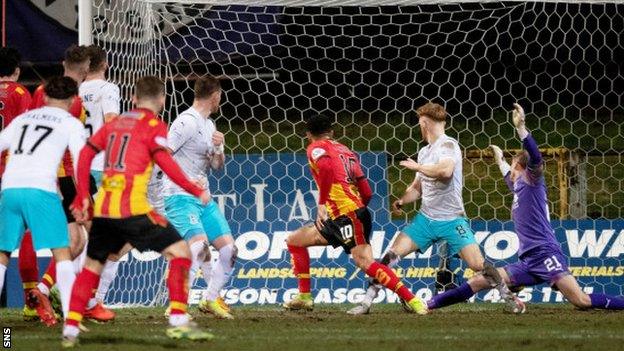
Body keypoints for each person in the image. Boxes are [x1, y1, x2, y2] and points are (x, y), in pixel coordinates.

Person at [425, 104, 624, 313]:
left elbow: (536, 158)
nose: (510, 170)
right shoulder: (521, 188)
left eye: (513, 165)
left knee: (581, 301)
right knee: (478, 281)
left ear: (522, 168)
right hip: (528, 261)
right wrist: (500, 160)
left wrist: (521, 129)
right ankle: (429, 304)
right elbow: (509, 179)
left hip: (546, 255)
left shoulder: (533, 183)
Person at [62, 76, 213, 347]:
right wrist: (194, 189)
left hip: (105, 210)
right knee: (180, 252)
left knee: (92, 266)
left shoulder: (116, 123)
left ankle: (70, 329)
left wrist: (84, 195)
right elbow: (166, 162)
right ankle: (178, 320)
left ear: (132, 99)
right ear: (162, 100)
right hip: (133, 210)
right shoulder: (154, 125)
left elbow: (85, 155)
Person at [348, 102, 512, 315]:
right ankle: (366, 303)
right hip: (425, 220)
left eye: (419, 123)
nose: (419, 127)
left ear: (424, 122)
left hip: (452, 220)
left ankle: (508, 297)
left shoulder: (448, 145)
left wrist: (417, 167)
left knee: (477, 264)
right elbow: (417, 188)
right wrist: (403, 200)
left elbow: (445, 171)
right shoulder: (424, 152)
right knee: (390, 256)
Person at [283, 114, 426, 314]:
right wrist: (360, 210)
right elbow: (366, 191)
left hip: (347, 216)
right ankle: (304, 297)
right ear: (331, 132)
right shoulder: (347, 151)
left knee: (365, 262)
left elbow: (325, 168)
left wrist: (323, 203)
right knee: (294, 240)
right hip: (345, 215)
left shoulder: (315, 148)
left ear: (308, 135)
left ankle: (413, 301)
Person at [0, 76, 87, 326]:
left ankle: (5, 336)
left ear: (45, 97)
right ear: (72, 101)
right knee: (63, 250)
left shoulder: (23, 119)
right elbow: (81, 160)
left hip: (10, 187)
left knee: (3, 253)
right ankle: (71, 326)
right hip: (41, 189)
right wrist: (82, 197)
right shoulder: (71, 123)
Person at [19, 45, 94, 325]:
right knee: (85, 238)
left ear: (63, 63)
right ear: (86, 69)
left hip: (33, 172)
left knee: (75, 240)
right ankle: (83, 299)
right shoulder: (74, 102)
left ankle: (42, 292)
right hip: (61, 176)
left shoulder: (39, 91)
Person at [162, 77, 236, 319]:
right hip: (179, 195)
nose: (221, 100)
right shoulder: (186, 122)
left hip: (203, 197)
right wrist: (180, 181)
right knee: (199, 248)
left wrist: (219, 148)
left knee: (229, 251)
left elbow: (217, 166)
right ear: (214, 95)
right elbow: (164, 154)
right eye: (221, 96)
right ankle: (177, 305)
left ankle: (211, 300)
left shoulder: (210, 125)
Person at [77, 44, 122, 322]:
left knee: (79, 238)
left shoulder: (73, 91)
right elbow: (112, 124)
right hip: (102, 169)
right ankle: (89, 299)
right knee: (107, 239)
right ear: (105, 64)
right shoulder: (108, 89)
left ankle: (63, 292)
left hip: (74, 170)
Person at [0, 47, 35, 320]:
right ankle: (29, 302)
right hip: (10, 175)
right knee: (18, 236)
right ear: (17, 70)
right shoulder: (22, 94)